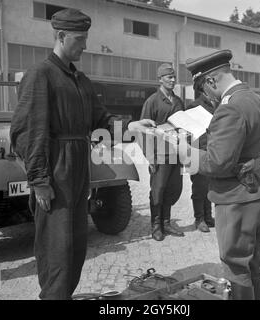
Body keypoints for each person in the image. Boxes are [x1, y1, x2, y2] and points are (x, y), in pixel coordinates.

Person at [10, 8, 155, 300]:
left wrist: (132, 125)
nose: (85, 45)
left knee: (76, 245)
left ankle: (62, 294)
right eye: (79, 39)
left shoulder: (80, 80)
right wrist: (39, 180)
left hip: (79, 168)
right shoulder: (41, 75)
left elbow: (101, 121)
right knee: (57, 247)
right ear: (61, 37)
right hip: (56, 168)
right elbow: (28, 132)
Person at [182, 50, 260, 299]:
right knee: (252, 262)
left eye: (204, 90)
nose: (207, 97)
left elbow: (216, 163)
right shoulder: (257, 100)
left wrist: (187, 152)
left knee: (236, 267)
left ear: (211, 81)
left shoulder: (229, 108)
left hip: (237, 200)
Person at [140, 63, 185, 241]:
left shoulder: (179, 101)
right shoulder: (152, 101)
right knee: (158, 190)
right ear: (160, 79)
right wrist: (150, 157)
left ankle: (166, 222)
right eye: (169, 77)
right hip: (160, 154)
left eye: (174, 77)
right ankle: (156, 226)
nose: (173, 80)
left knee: (173, 189)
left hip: (176, 153)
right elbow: (143, 131)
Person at [186, 86, 216, 233]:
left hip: (212, 151)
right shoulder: (194, 106)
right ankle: (199, 219)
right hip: (197, 152)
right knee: (198, 187)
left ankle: (208, 217)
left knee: (208, 186)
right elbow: (186, 131)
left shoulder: (217, 104)